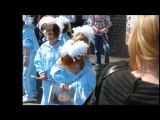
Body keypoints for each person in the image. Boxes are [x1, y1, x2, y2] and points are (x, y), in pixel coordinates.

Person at [97, 15, 159, 105]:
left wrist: (103, 29)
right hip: (97, 34)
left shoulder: (113, 82)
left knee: (105, 49)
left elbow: (109, 23)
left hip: (103, 34)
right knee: (98, 51)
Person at [34, 23, 64, 105]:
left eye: (54, 34)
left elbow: (67, 64)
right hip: (46, 79)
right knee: (46, 100)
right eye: (49, 34)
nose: (51, 36)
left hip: (59, 81)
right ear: (46, 33)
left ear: (58, 34)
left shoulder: (63, 47)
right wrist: (41, 72)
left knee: (57, 101)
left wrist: (62, 77)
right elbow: (37, 60)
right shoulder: (43, 47)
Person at [59, 40, 96, 105]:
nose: (67, 71)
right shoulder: (87, 72)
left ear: (73, 66)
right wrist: (72, 86)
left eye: (67, 68)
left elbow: (88, 102)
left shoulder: (84, 83)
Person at [22, 15, 39, 102]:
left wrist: (25, 58)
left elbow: (27, 45)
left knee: (26, 75)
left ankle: (29, 95)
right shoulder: (28, 29)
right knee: (31, 75)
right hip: (31, 55)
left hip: (30, 55)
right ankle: (32, 93)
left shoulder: (26, 30)